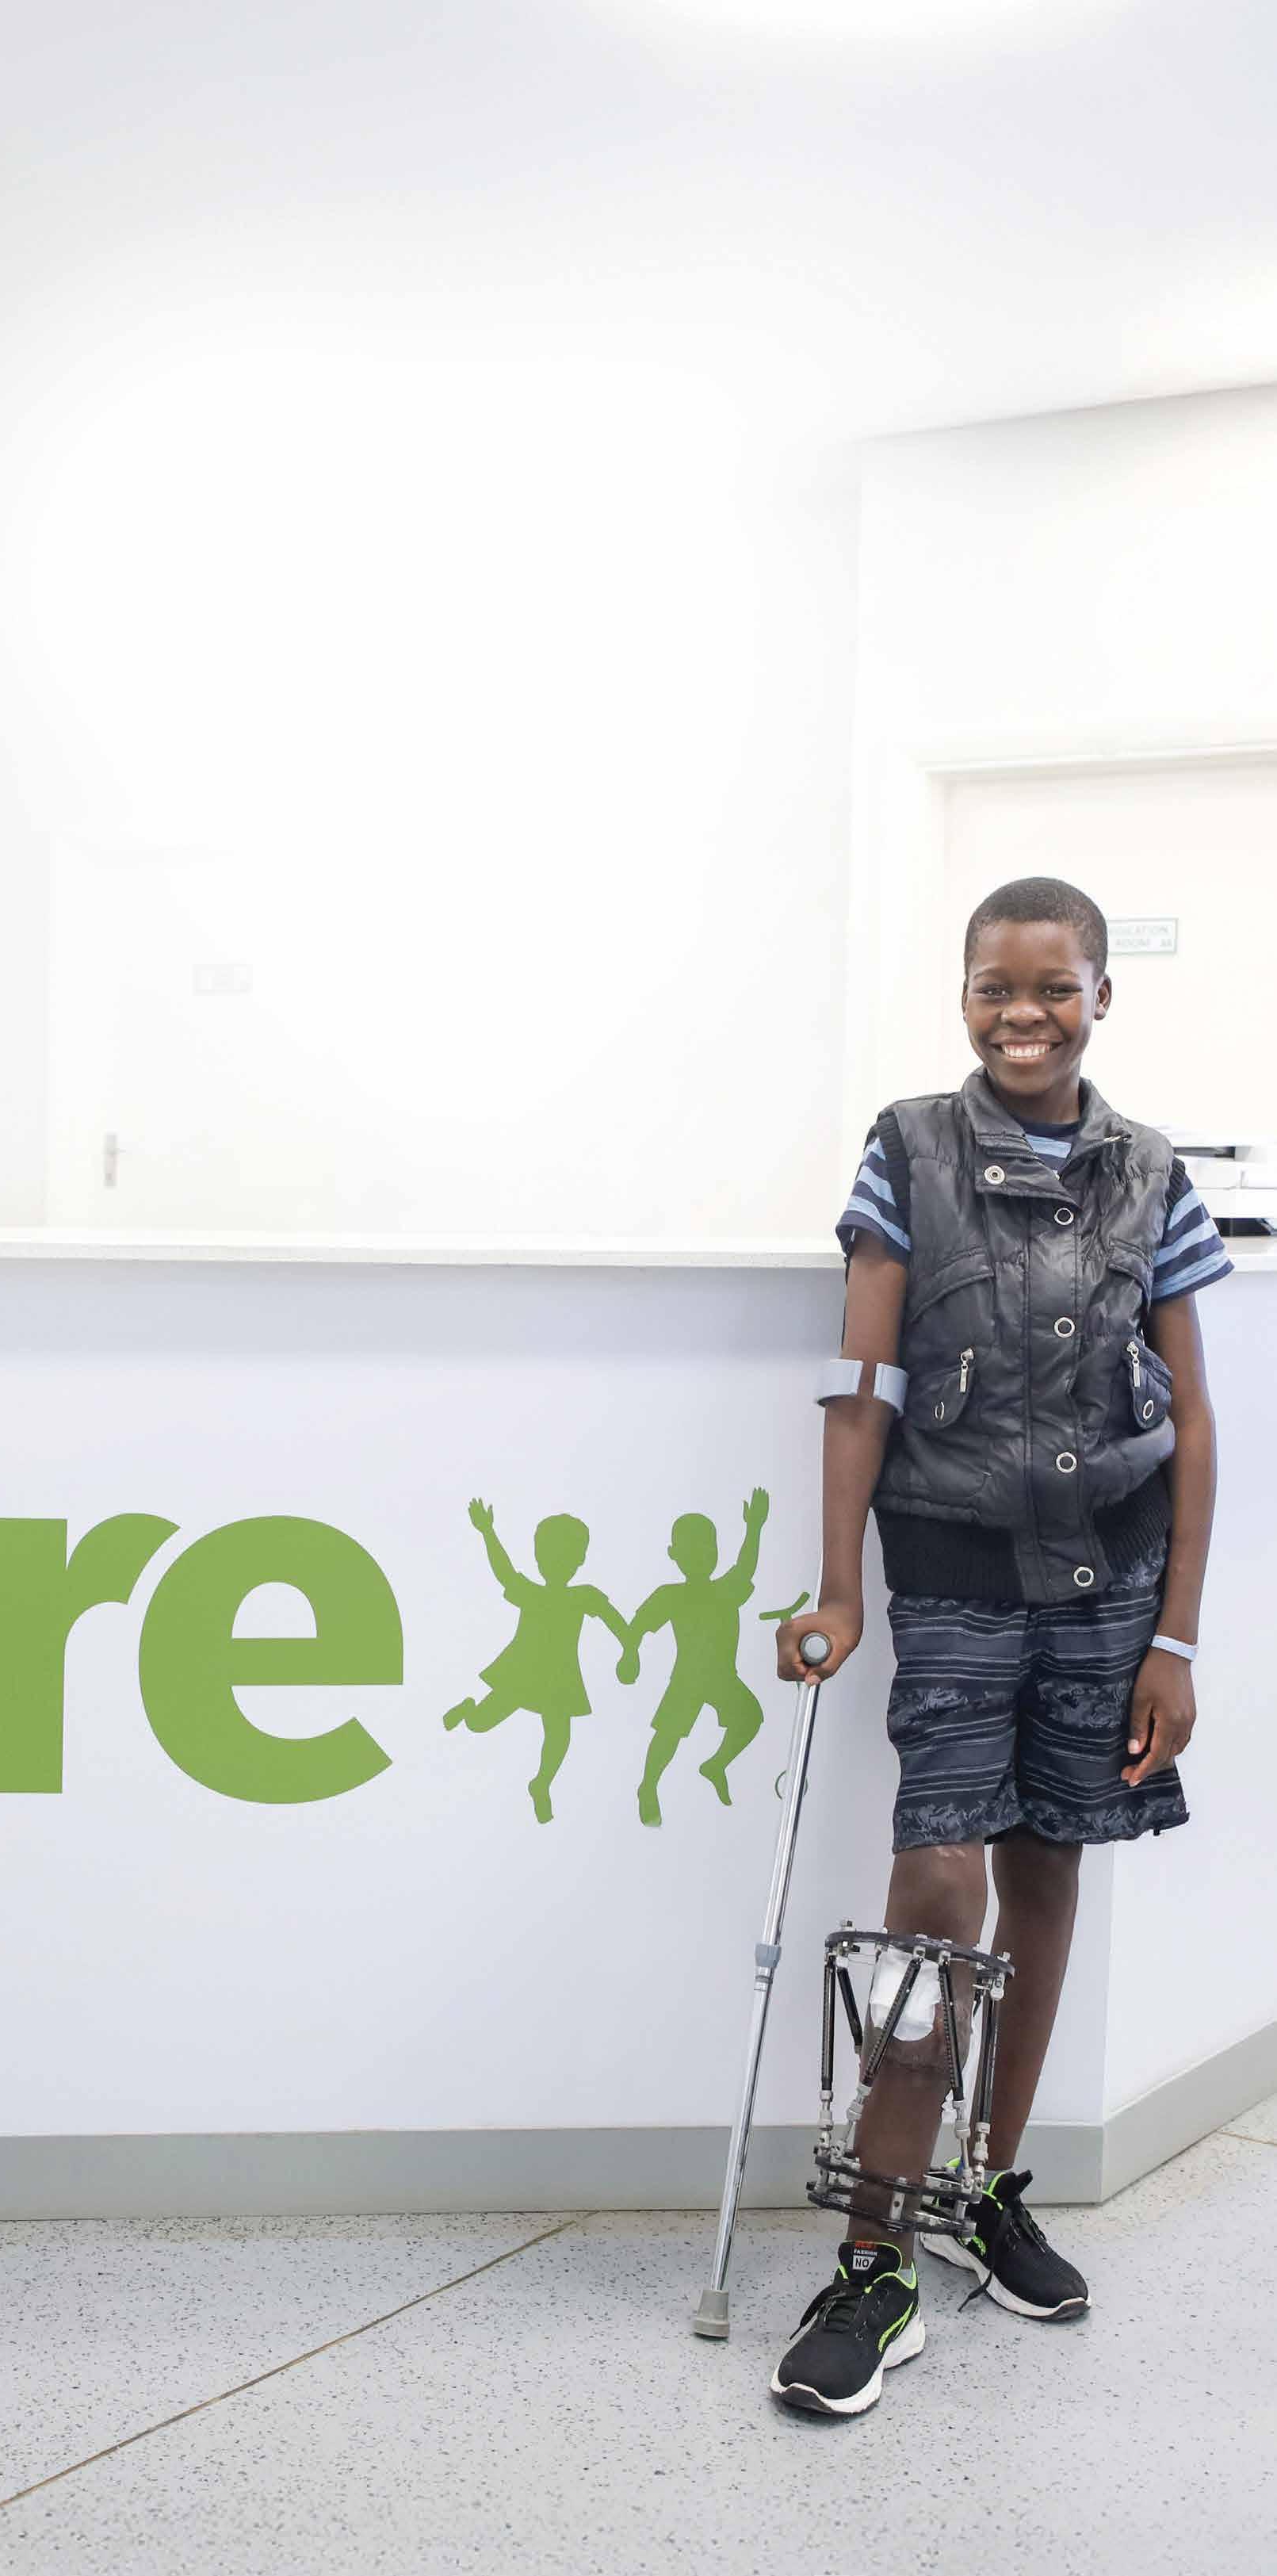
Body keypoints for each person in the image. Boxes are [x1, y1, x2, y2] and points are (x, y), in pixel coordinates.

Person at [769, 875, 1233, 2419]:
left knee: (1046, 1872)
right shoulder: (905, 1149)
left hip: (1108, 1584)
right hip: (956, 1574)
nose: (1021, 1013)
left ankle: (982, 2187)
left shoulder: (1152, 1172)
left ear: (1100, 994)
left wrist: (1174, 1635)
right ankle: (874, 2255)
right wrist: (837, 1587)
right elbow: (863, 1386)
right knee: (934, 1885)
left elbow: (1191, 1416)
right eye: (993, 986)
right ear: (962, 994)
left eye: (1050, 986)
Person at [444, 1500, 632, 1821]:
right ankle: (468, 1709)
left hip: (559, 1677)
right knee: (479, 1724)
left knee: (560, 1736)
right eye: (549, 1554)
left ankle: (541, 1783)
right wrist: (488, 1532)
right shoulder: (532, 1593)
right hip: (522, 1673)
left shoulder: (583, 1596)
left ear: (580, 1560)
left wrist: (629, 1648)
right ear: (537, 1556)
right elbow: (504, 1573)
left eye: (566, 1556)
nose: (557, 1562)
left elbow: (614, 1620)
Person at [617, 1490, 770, 1824]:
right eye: (691, 1549)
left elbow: (745, 1567)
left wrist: (754, 1528)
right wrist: (630, 1654)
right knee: (668, 1735)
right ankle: (648, 1786)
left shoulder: (725, 1590)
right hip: (687, 1678)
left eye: (708, 1548)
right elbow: (638, 1626)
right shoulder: (671, 1595)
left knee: (749, 1717)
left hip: (723, 1677)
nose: (702, 1556)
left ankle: (715, 1764)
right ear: (675, 1554)